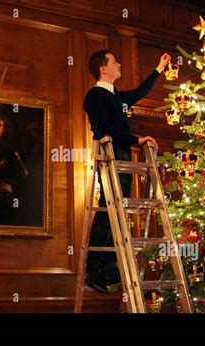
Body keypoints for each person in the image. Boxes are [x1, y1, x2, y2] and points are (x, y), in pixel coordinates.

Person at [83, 49, 171, 293]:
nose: (119, 64)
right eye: (114, 61)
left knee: (118, 211)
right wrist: (137, 138)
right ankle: (93, 269)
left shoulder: (116, 96)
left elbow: (140, 92)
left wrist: (159, 69)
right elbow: (103, 130)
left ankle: (109, 269)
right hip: (110, 155)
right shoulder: (95, 96)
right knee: (109, 210)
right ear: (103, 68)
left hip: (121, 155)